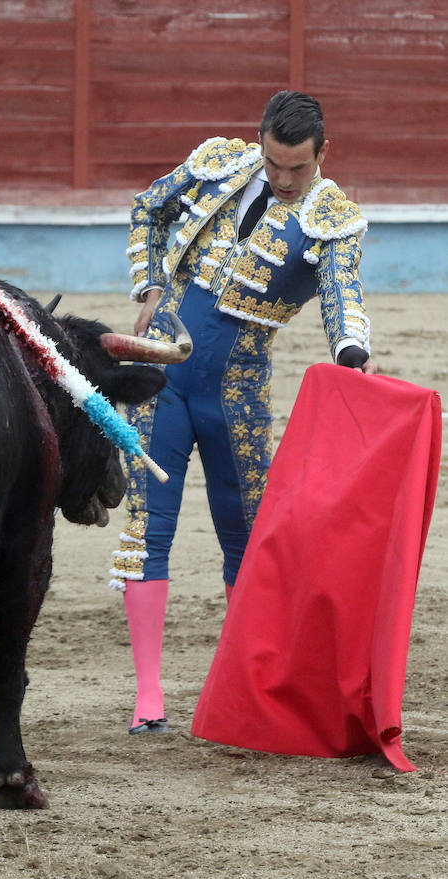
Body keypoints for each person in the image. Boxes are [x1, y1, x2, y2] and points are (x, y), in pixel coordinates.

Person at [108, 91, 376, 735]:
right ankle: (149, 701)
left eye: (299, 169)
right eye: (274, 163)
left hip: (237, 393)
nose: (283, 180)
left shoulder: (335, 218)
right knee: (147, 526)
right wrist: (149, 284)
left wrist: (352, 351)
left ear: (323, 154)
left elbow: (343, 294)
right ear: (259, 141)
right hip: (160, 376)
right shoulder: (220, 162)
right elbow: (151, 206)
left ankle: (243, 689)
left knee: (247, 539)